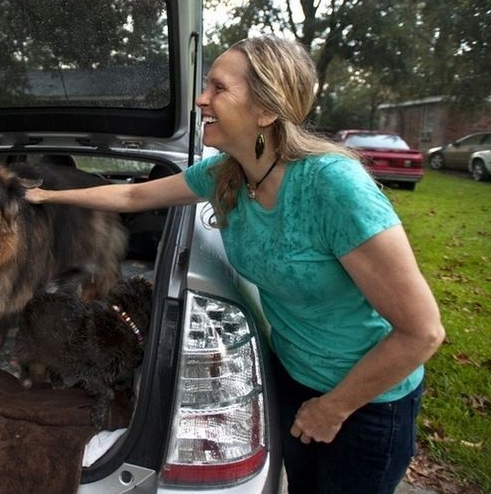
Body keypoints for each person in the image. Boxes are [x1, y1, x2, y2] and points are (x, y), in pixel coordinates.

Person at [25, 36, 445, 494]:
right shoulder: (227, 173)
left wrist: (334, 408)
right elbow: (132, 195)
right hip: (293, 378)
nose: (201, 99)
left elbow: (422, 332)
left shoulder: (333, 188)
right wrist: (46, 195)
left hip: (366, 405)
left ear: (266, 110)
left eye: (218, 89)